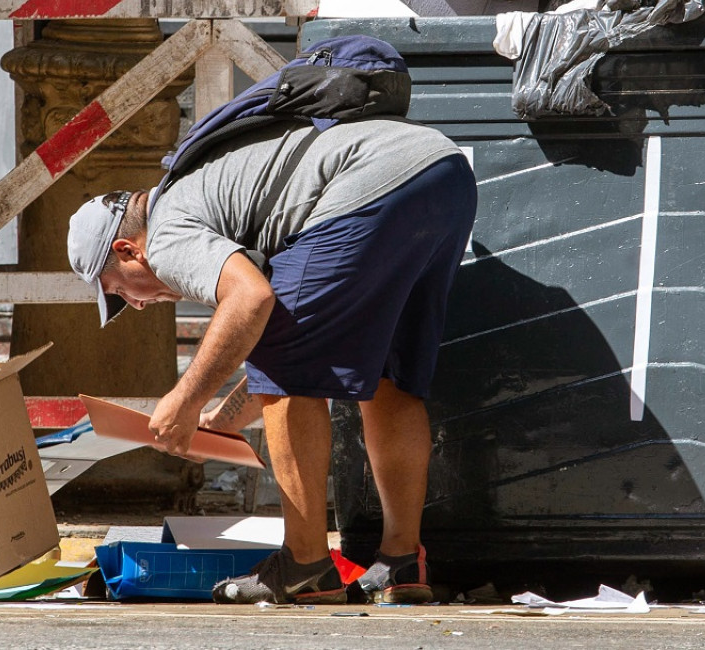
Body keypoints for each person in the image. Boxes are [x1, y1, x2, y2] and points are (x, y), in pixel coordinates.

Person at [65, 36, 477, 605]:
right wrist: (221, 419)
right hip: (442, 170)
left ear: (128, 250)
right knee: (389, 378)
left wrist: (183, 401)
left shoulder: (166, 230)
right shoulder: (206, 191)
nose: (136, 305)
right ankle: (401, 564)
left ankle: (306, 567)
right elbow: (282, 331)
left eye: (119, 292)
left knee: (287, 374)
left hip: (367, 186)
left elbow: (253, 304)